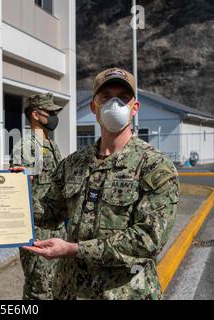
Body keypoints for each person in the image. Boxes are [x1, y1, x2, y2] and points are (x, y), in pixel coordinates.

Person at [23, 67, 180, 300]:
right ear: (93, 107)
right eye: (106, 97)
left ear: (134, 108)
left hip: (124, 293)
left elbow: (147, 240)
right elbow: (45, 211)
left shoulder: (155, 167)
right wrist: (4, 190)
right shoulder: (73, 163)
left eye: (123, 98)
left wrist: (74, 249)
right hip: (70, 291)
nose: (114, 103)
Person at [10, 93, 64, 300]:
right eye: (49, 113)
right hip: (37, 228)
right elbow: (19, 191)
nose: (53, 117)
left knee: (56, 284)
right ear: (35, 114)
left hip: (55, 226)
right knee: (39, 287)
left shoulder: (49, 144)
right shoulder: (26, 147)